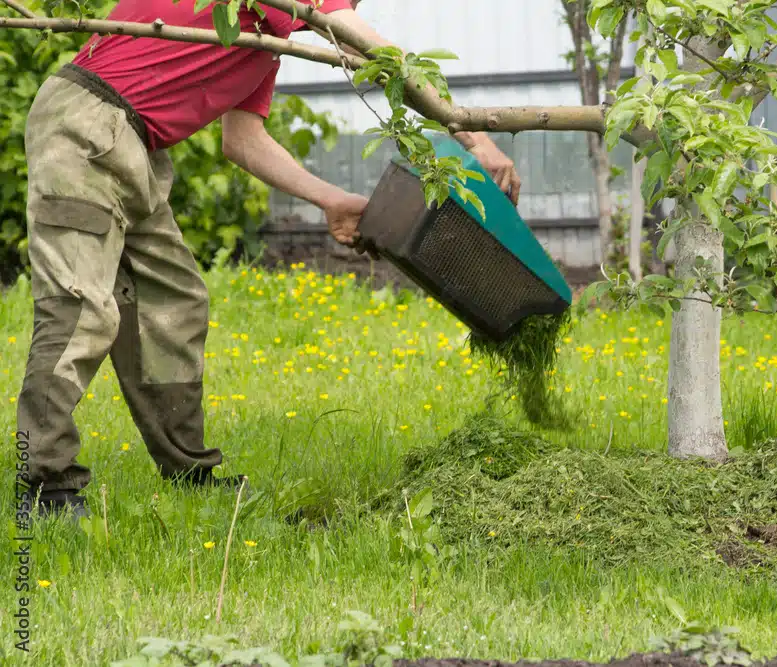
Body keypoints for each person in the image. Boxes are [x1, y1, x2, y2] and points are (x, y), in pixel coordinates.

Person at [18, 0, 522, 519]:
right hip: (87, 126)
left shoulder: (258, 40)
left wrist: (330, 199)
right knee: (80, 308)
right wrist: (471, 134)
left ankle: (187, 470)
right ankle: (43, 484)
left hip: (130, 145)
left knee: (174, 302)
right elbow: (375, 51)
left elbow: (243, 141)